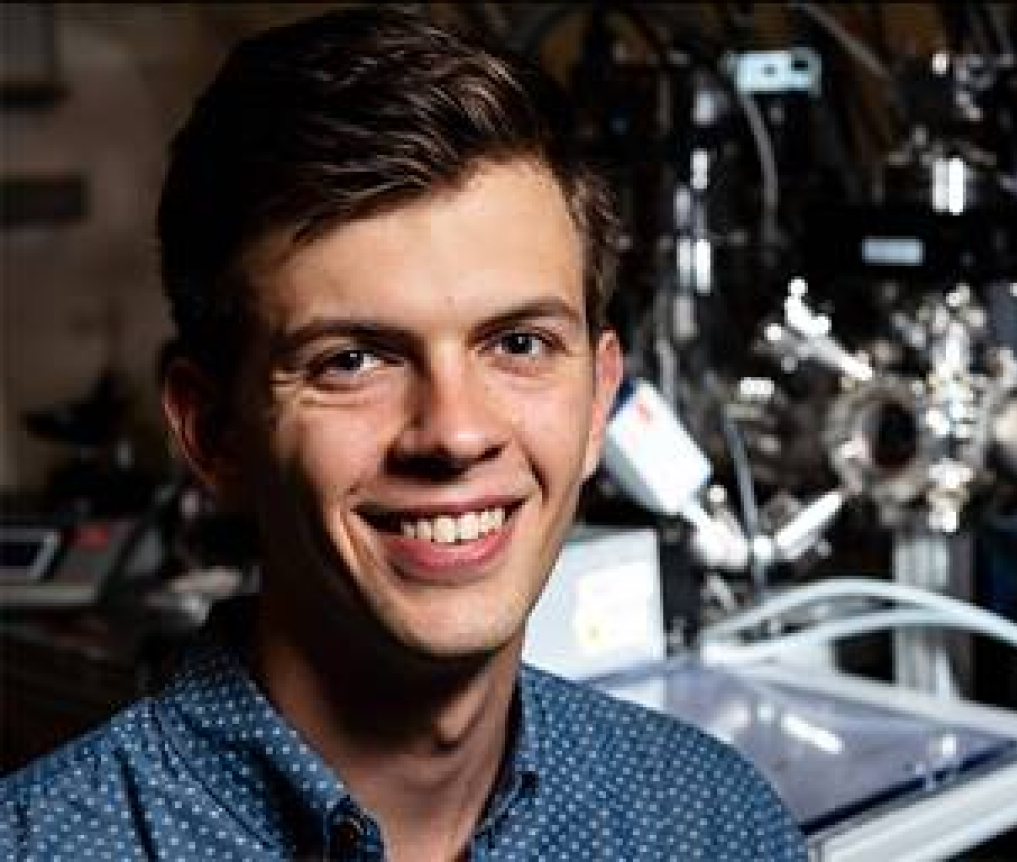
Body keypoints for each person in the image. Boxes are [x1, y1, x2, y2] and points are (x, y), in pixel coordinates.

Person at [0, 7, 808, 860]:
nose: (455, 434)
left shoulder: (710, 823)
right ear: (211, 432)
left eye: (519, 344)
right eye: (353, 360)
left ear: (600, 396)